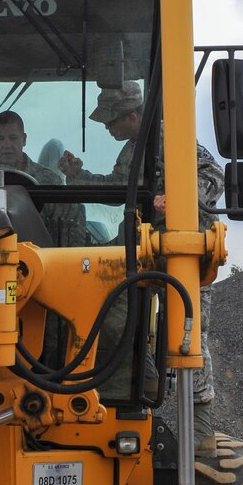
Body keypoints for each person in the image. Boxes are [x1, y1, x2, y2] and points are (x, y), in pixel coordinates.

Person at [59, 82, 224, 455]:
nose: (107, 128)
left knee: (189, 334)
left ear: (133, 116)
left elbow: (213, 175)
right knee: (110, 298)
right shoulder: (133, 150)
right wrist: (77, 175)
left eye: (111, 121)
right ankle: (144, 378)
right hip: (144, 248)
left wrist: (179, 200)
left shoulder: (169, 138)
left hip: (182, 254)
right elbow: (118, 189)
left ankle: (200, 432)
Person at [0, 110, 85, 245]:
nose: (6, 145)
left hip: (37, 255)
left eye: (13, 138)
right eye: (0, 139)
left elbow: (69, 224)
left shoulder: (48, 180)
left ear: (24, 139)